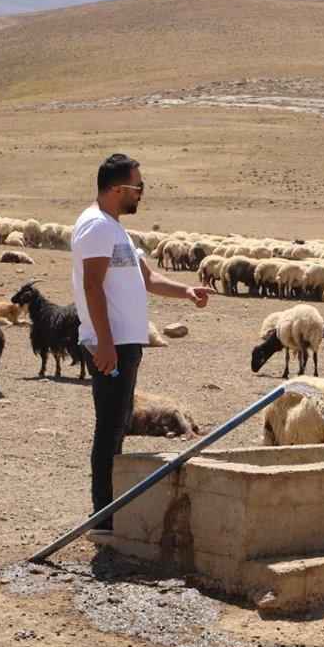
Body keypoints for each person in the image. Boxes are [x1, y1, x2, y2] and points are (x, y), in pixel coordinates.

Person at [72, 153, 212, 535]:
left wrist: (186, 291)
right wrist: (104, 342)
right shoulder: (97, 228)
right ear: (118, 189)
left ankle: (110, 512)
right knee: (110, 427)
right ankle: (104, 517)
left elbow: (146, 278)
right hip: (111, 344)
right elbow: (91, 285)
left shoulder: (116, 230)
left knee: (118, 427)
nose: (142, 194)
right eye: (139, 186)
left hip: (123, 343)